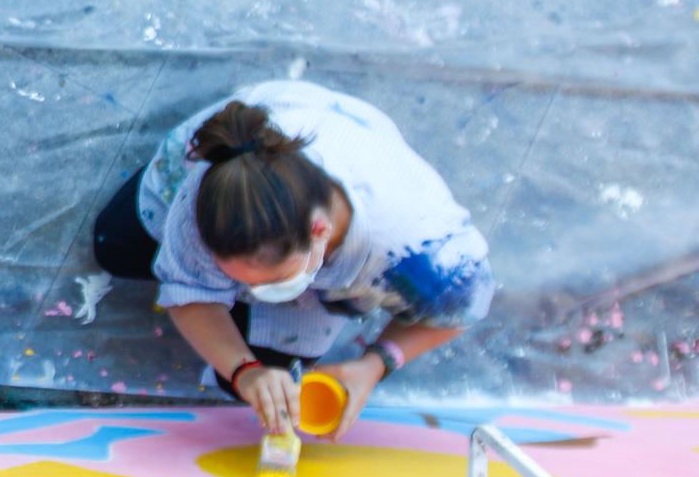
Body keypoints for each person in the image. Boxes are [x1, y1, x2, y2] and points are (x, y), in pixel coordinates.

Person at [91, 80, 494, 438]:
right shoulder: (210, 192)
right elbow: (192, 293)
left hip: (360, 183)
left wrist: (374, 365)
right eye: (233, 278)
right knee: (116, 249)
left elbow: (462, 313)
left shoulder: (421, 254)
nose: (245, 293)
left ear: (320, 233)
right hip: (248, 140)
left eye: (272, 283)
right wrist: (245, 370)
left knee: (276, 391)